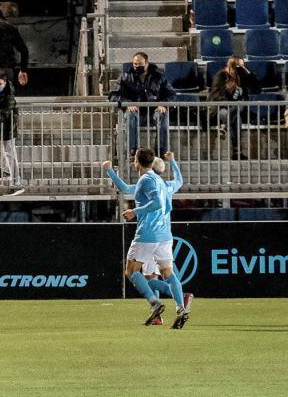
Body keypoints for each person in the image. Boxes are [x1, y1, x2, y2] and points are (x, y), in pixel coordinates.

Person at [103, 148, 191, 329]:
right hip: (165, 235)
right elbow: (127, 188)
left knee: (131, 271)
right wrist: (173, 161)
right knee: (168, 273)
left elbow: (156, 202)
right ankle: (180, 307)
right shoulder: (162, 183)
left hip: (147, 234)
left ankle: (155, 304)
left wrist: (134, 212)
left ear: (136, 161)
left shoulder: (146, 180)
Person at [110, 52, 176, 157]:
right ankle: (133, 151)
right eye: (135, 64)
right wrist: (127, 103)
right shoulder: (125, 76)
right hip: (136, 112)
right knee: (131, 114)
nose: (137, 66)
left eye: (140, 64)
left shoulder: (159, 76)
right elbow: (113, 96)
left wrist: (164, 104)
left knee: (163, 115)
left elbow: (171, 94)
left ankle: (161, 151)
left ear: (147, 63)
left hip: (154, 111)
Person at [208, 56, 260, 160]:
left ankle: (224, 126)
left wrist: (248, 72)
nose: (241, 68)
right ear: (233, 65)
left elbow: (257, 89)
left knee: (239, 108)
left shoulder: (243, 77)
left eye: (243, 65)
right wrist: (228, 105)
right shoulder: (222, 75)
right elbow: (216, 95)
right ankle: (237, 153)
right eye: (239, 66)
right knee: (236, 119)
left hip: (238, 110)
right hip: (222, 108)